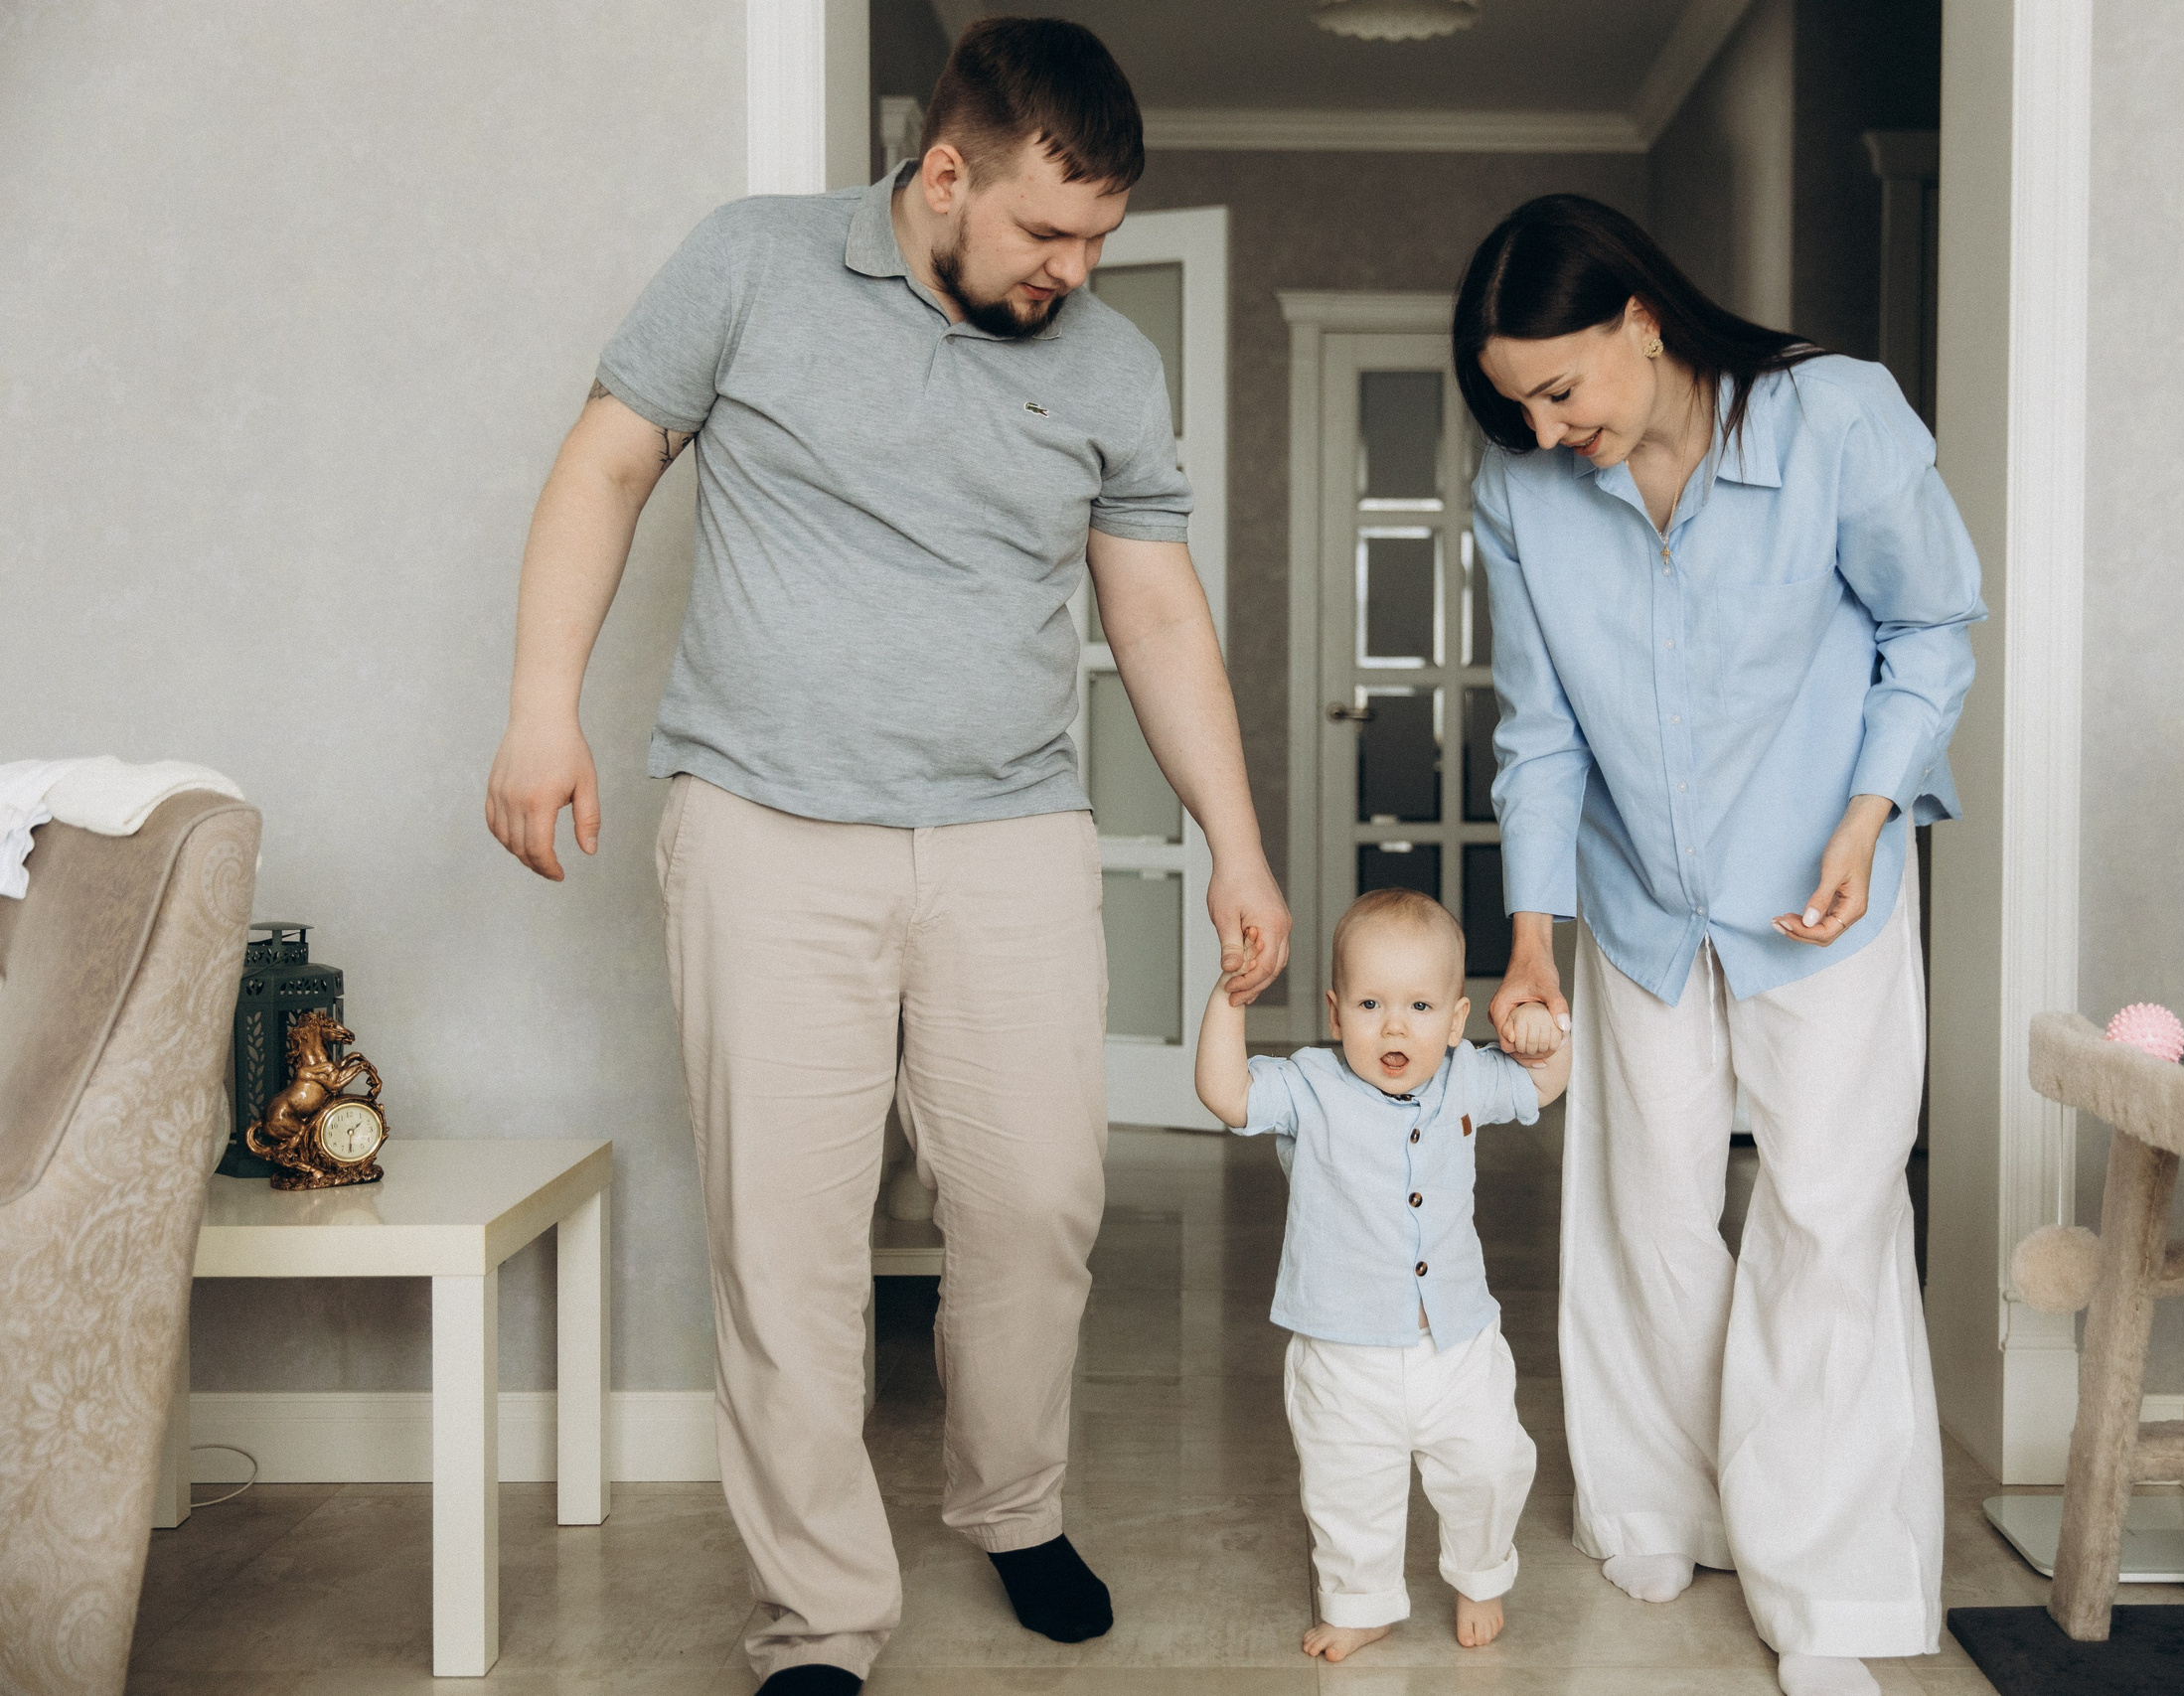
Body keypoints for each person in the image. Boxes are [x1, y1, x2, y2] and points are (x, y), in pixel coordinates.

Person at [481, 20, 1291, 1696]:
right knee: (786, 1238)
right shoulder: (753, 263)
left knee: (1039, 1200)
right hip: (765, 827)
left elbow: (1152, 607)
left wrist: (1239, 843)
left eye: (1099, 240)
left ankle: (1013, 1503)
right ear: (943, 174)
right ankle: (821, 1620)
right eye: (1045, 234)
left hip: (1007, 828)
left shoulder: (1105, 366)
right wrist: (539, 709)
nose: (1075, 271)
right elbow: (610, 459)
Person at [1452, 195, 1984, 1696]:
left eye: (1561, 389)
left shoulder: (1834, 417)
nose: (1546, 428)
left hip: (1826, 887)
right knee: (1648, 1204)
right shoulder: (1525, 492)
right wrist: (1532, 936)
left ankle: (1826, 1583)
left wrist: (1870, 811)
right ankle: (1666, 1500)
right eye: (1517, 405)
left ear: (1641, 319)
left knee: (1826, 1211)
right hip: (1634, 898)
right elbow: (1542, 732)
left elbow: (1933, 622)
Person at [1194, 889, 1569, 1662]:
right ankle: (1362, 1602)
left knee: (1491, 1464)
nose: (1394, 1024)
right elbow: (1226, 1094)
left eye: (1420, 1005)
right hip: (1344, 1349)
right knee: (1347, 1487)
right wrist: (1228, 1002)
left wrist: (1545, 1033)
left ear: (1457, 1019)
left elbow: (1544, 1083)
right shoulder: (1310, 1087)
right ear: (1335, 1013)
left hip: (1456, 1341)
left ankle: (1481, 1571)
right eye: (1370, 1003)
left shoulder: (1468, 1076)